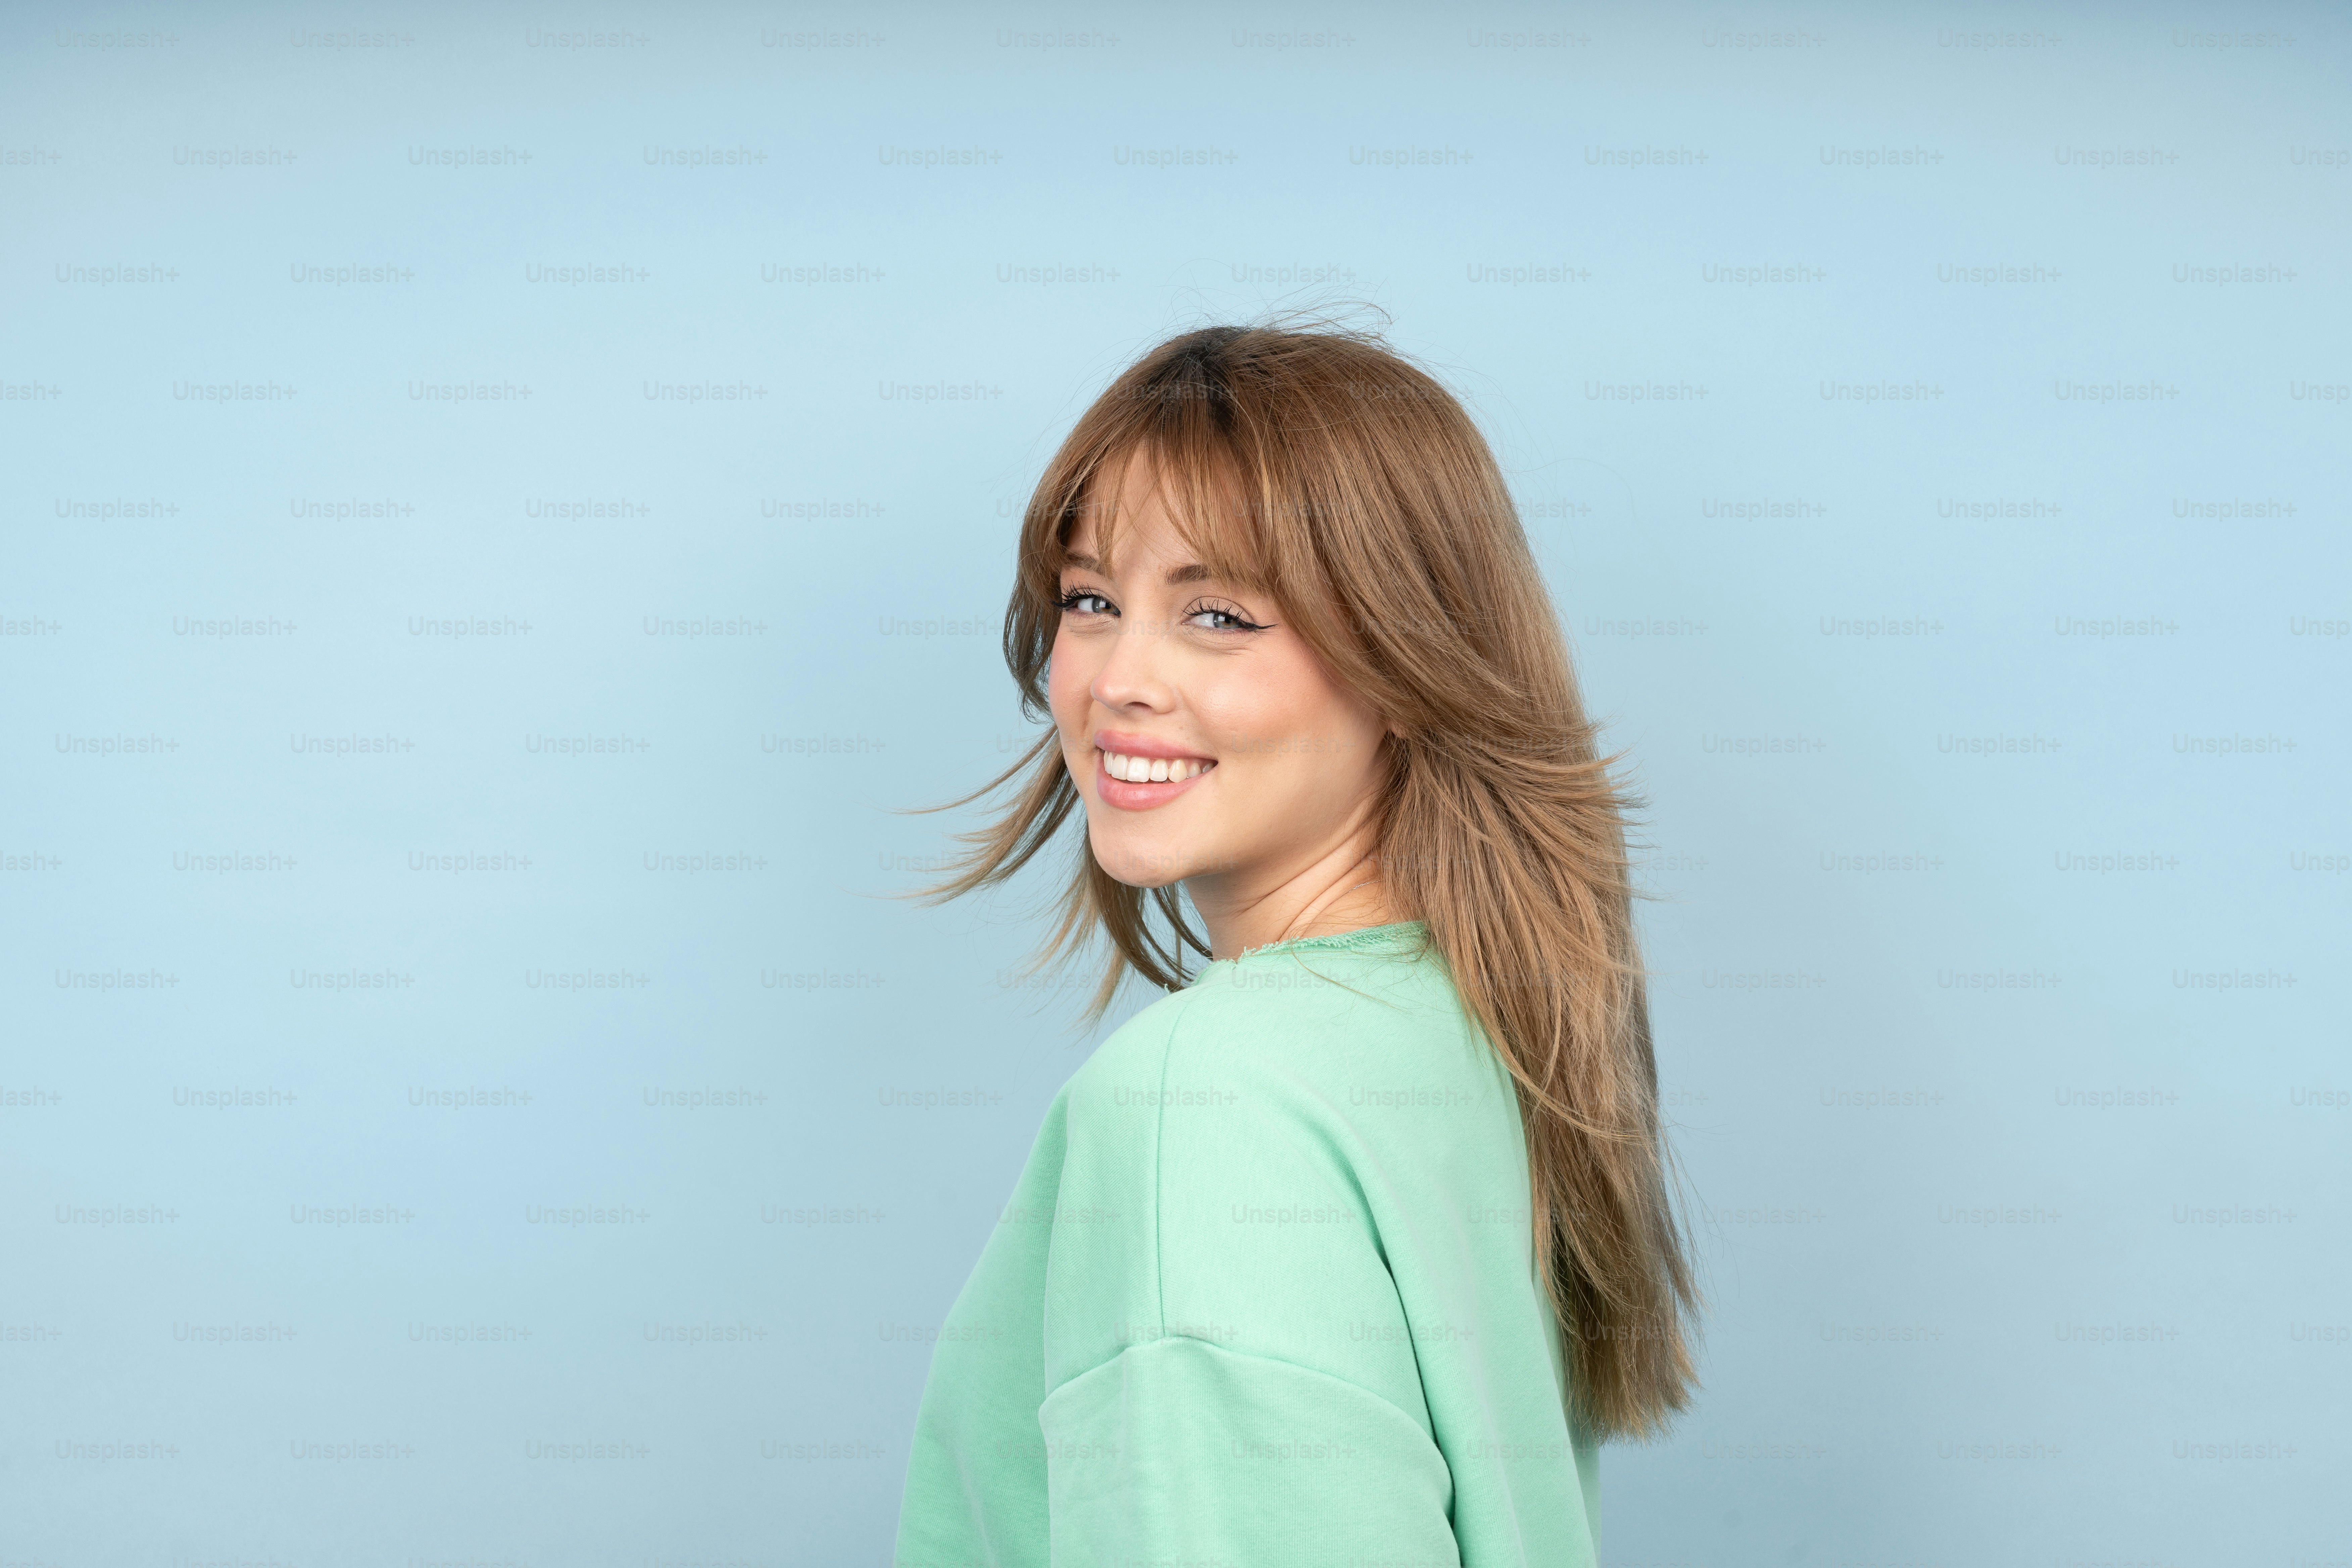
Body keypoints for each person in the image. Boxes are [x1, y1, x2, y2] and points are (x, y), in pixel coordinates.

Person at [891, 317, 1700, 1566]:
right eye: (1091, 599)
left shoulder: (1204, 1102)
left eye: (1219, 615)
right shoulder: (1475, 1029)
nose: (1118, 680)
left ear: (1406, 654)